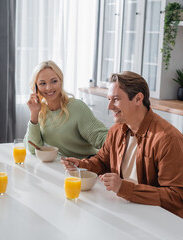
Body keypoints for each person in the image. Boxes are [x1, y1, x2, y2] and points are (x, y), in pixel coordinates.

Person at [62, 71, 183, 218]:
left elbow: (176, 197)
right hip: (123, 210)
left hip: (156, 221)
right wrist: (82, 165)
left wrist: (125, 188)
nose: (110, 107)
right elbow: (102, 161)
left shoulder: (168, 139)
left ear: (138, 98)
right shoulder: (116, 131)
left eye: (116, 99)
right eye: (109, 99)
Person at [24, 60, 108, 159]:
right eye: (42, 83)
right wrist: (34, 115)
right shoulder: (41, 111)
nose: (48, 87)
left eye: (54, 81)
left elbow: (101, 137)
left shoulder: (77, 107)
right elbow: (33, 148)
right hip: (63, 166)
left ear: (61, 81)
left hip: (86, 166)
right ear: (35, 87)